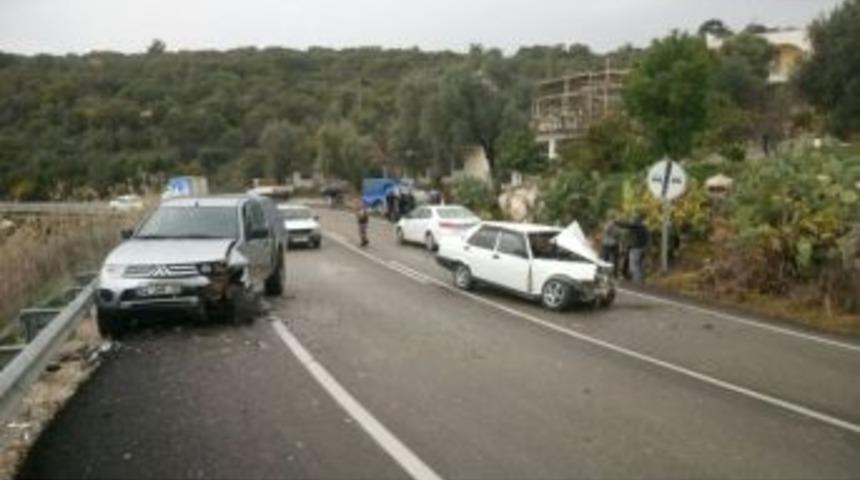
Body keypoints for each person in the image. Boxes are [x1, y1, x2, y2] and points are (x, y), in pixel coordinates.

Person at [617, 212, 650, 283]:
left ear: (636, 220)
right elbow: (648, 239)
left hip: (636, 248)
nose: (632, 220)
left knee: (634, 265)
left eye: (633, 219)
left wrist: (617, 222)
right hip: (642, 248)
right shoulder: (645, 227)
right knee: (639, 265)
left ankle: (637, 282)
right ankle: (640, 280)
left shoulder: (637, 226)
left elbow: (626, 225)